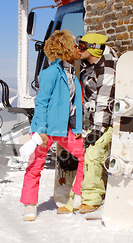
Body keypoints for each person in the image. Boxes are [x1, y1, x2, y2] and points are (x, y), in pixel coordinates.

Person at [20, 30, 84, 221]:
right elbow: (41, 103)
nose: (76, 49)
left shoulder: (71, 72)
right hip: (46, 130)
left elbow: (75, 105)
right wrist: (40, 132)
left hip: (65, 129)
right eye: (73, 45)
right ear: (64, 48)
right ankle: (30, 206)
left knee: (85, 155)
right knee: (35, 166)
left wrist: (78, 129)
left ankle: (78, 194)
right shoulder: (49, 73)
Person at [76, 33, 118, 214]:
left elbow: (104, 100)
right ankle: (85, 194)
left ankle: (92, 199)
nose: (79, 49)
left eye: (82, 46)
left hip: (105, 123)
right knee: (88, 154)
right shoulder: (91, 65)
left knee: (93, 153)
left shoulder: (107, 67)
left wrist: (98, 130)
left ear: (93, 48)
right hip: (92, 121)